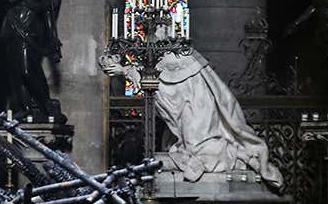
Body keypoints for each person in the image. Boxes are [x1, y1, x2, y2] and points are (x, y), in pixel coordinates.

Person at [100, 46, 283, 190]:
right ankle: (240, 156)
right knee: (189, 150)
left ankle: (242, 156)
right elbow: (157, 87)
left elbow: (158, 85)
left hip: (198, 116)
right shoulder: (175, 66)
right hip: (192, 112)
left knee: (202, 150)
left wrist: (127, 71)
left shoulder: (182, 70)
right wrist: (127, 70)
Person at [0, 0, 63, 122]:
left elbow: (47, 11)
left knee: (28, 70)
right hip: (12, 29)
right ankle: (23, 108)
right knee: (15, 73)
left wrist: (52, 36)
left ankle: (45, 106)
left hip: (31, 31)